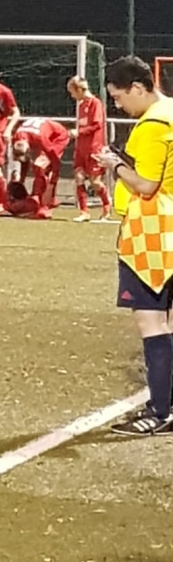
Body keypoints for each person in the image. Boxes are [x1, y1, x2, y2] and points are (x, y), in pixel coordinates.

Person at [95, 55, 173, 436]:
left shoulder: (154, 123)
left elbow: (146, 185)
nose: (117, 104)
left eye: (119, 96)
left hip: (153, 233)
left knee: (151, 322)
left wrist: (114, 164)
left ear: (139, 88)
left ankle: (160, 410)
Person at [66, 75, 111, 222]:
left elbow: (97, 125)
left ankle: (107, 206)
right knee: (79, 177)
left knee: (95, 182)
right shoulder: (81, 106)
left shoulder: (95, 104)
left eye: (72, 92)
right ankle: (84, 212)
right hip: (81, 148)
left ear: (79, 90)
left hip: (94, 148)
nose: (72, 96)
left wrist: (79, 132)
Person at [12, 117, 70, 214]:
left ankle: (42, 199)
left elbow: (54, 159)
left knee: (41, 166)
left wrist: (53, 178)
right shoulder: (17, 137)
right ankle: (43, 197)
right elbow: (24, 161)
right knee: (38, 166)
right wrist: (21, 180)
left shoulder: (40, 138)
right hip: (40, 135)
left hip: (58, 137)